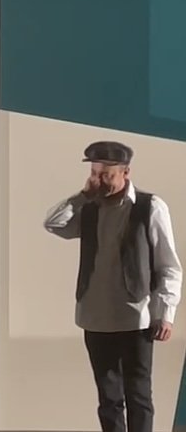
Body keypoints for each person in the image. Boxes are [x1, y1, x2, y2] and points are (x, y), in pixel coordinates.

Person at [43, 140, 182, 432]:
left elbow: (168, 265)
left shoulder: (149, 207)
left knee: (139, 395)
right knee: (108, 399)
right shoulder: (89, 208)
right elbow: (53, 224)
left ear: (125, 172)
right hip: (95, 317)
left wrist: (165, 314)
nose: (99, 180)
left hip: (136, 317)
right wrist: (82, 196)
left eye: (106, 174)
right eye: (95, 173)